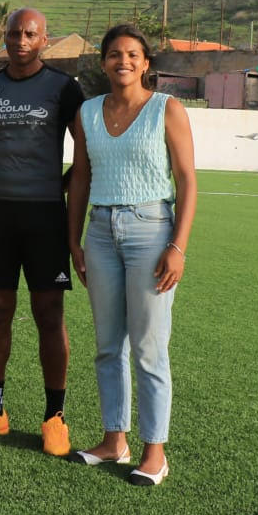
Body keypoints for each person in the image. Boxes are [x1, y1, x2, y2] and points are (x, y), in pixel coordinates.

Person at [66, 25, 196, 486]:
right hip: (100, 233)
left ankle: (154, 452)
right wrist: (75, 241)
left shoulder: (167, 109)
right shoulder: (86, 112)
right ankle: (113, 440)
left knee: (148, 346)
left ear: (145, 63)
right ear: (103, 63)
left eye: (133, 54)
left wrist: (177, 247)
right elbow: (79, 178)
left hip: (151, 231)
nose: (124, 61)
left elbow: (186, 182)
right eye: (115, 54)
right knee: (107, 344)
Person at [0, 8, 84, 456]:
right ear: (4, 37)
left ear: (44, 39)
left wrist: (58, 185)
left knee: (49, 314)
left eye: (30, 34)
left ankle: (55, 416)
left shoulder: (64, 88)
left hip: (45, 216)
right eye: (14, 33)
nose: (21, 40)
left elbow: (83, 149)